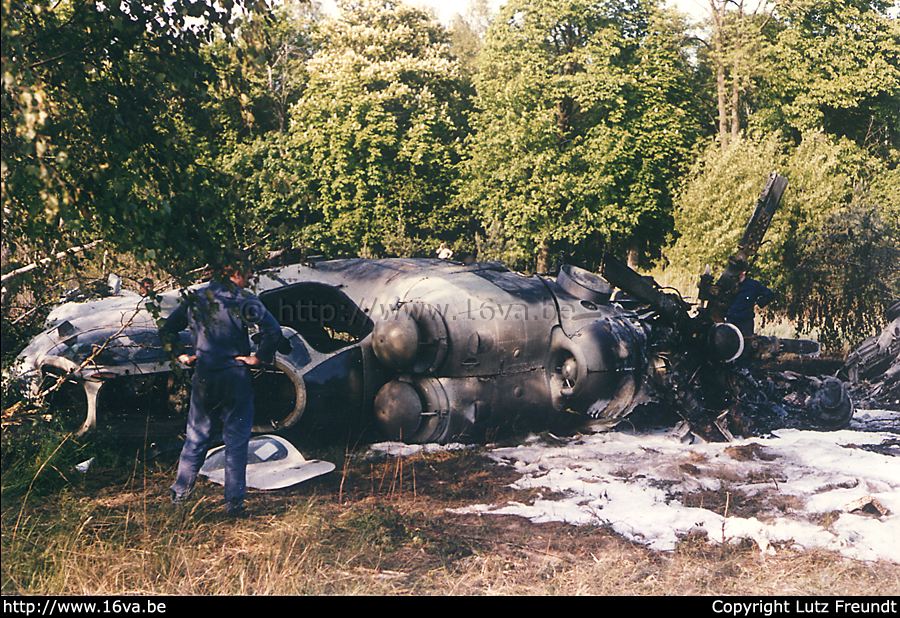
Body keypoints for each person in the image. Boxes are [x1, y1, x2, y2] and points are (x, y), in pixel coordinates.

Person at [159, 250, 282, 516]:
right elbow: (274, 331)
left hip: (205, 375)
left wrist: (182, 355)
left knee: (196, 437)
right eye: (248, 273)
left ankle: (179, 499)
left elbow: (167, 329)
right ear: (236, 272)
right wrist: (258, 358)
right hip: (236, 376)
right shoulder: (245, 300)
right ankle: (234, 507)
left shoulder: (196, 298)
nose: (250, 279)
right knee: (236, 442)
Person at [725, 264, 775, 337]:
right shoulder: (730, 285)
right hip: (731, 321)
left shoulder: (753, 285)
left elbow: (770, 295)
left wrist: (758, 302)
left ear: (744, 271)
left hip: (745, 323)